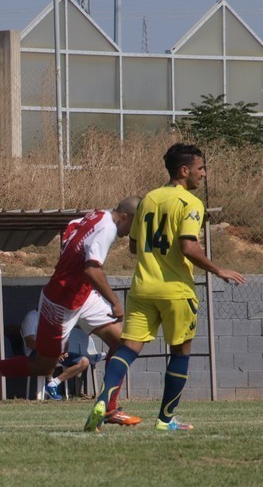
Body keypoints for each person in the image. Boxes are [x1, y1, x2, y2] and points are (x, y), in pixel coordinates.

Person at [85, 144, 246, 432]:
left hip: (143, 289)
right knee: (180, 353)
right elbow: (188, 246)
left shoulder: (147, 200)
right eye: (200, 169)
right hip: (175, 291)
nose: (203, 174)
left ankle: (103, 400)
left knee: (128, 349)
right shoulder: (190, 203)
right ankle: (165, 420)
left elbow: (134, 246)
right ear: (184, 171)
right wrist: (218, 269)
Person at [0, 197, 143, 426]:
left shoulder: (98, 215)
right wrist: (115, 302)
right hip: (61, 303)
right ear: (126, 217)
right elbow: (92, 269)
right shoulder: (108, 227)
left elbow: (70, 230)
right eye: (135, 225)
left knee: (124, 345)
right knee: (43, 366)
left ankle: (108, 408)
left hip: (83, 295)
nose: (133, 231)